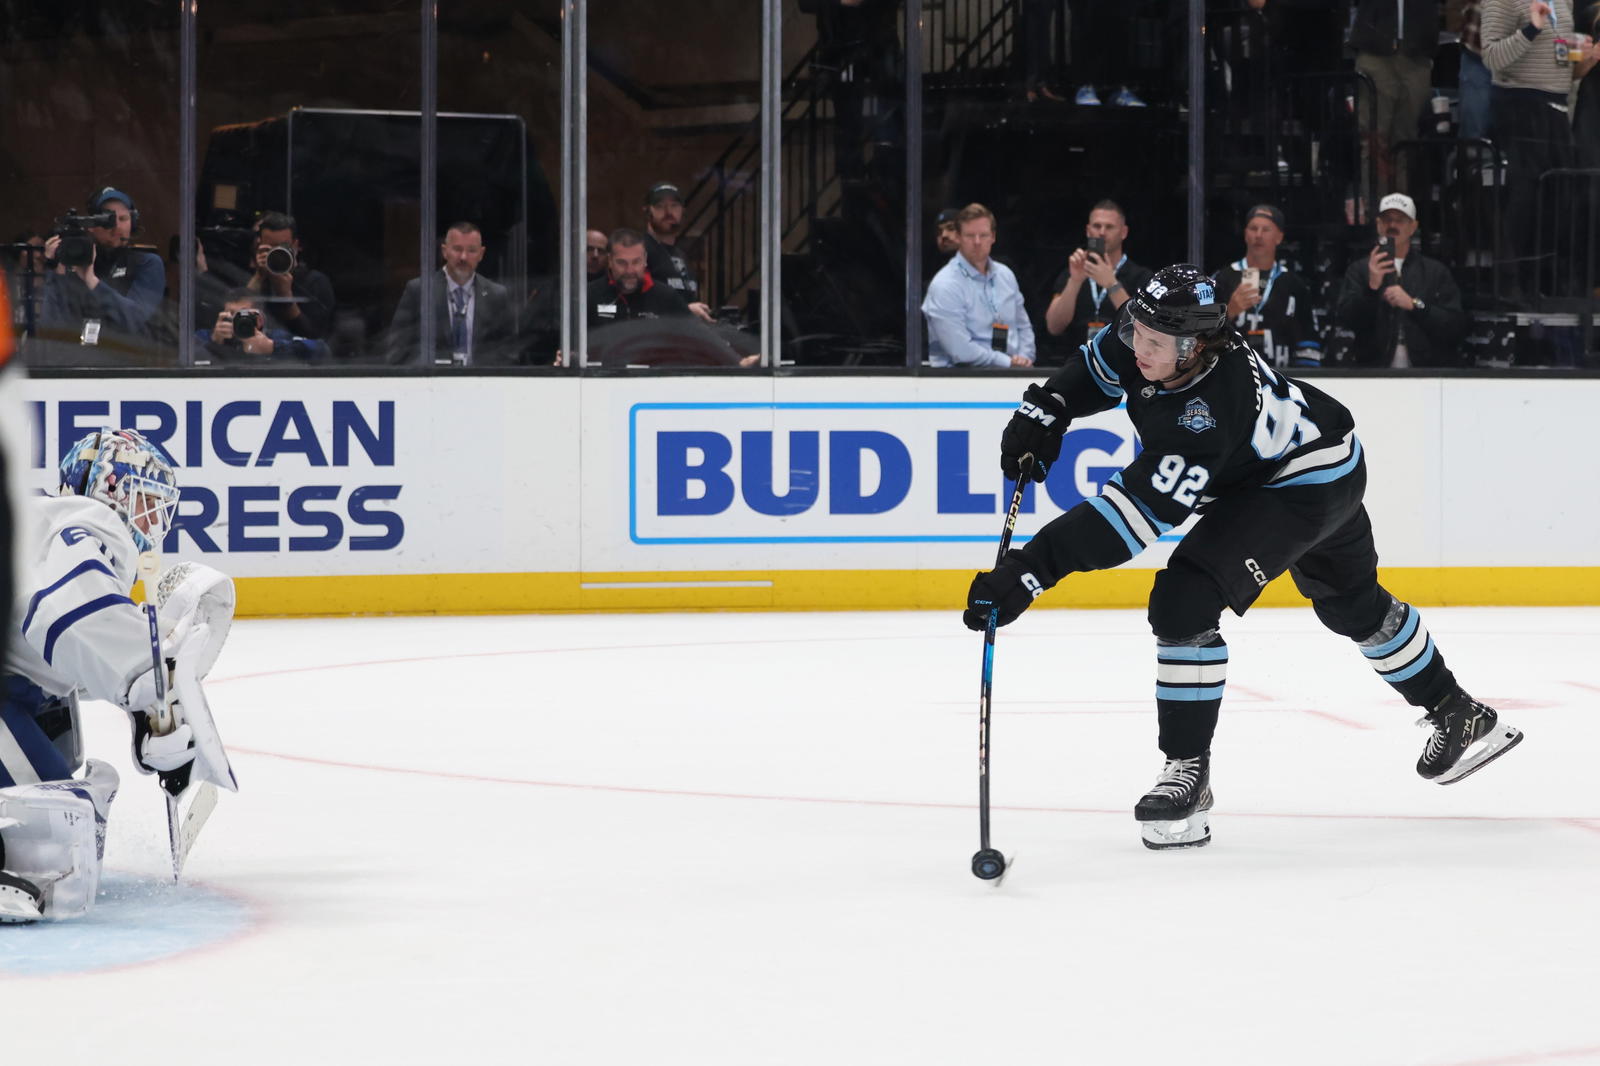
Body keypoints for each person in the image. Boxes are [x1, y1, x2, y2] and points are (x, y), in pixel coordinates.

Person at [965, 265, 1524, 851]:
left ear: (1195, 347)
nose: (1138, 349)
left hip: (1303, 486)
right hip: (1325, 456)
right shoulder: (1153, 333)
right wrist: (1048, 406)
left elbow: (1126, 522)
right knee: (1353, 606)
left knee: (1183, 600)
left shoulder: (1204, 412)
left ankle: (1187, 771)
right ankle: (1459, 712)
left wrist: (1029, 572)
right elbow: (1098, 366)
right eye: (1136, 332)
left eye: (1154, 343)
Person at [2, 428, 234, 922]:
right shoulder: (85, 521)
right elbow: (72, 616)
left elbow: (55, 651)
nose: (153, 522)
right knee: (50, 834)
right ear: (109, 486)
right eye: (147, 501)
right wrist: (149, 684)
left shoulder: (37, 522)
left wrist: (147, 710)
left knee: (53, 742)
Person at [1482, 0, 1599, 293]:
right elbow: (1492, 57)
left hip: (1556, 106)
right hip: (1520, 103)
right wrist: (1531, 28)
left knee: (1556, 199)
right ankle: (1510, 285)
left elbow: (1558, 64)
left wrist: (1583, 57)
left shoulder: (1563, 1)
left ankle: (1544, 283)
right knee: (1524, 198)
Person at [1335, 193, 1466, 367]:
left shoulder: (1435, 271)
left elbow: (1454, 326)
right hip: (1371, 374)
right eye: (1387, 219)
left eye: (1400, 220)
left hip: (1426, 375)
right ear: (1379, 225)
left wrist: (1414, 304)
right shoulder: (1359, 269)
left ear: (1413, 227)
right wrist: (1372, 289)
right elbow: (1346, 320)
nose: (1392, 225)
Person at [40, 187, 166, 342]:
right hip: (78, 359)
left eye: (123, 219)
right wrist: (55, 271)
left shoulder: (147, 263)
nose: (116, 226)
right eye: (107, 219)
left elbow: (134, 319)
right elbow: (50, 329)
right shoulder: (74, 263)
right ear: (92, 225)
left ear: (132, 223)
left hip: (128, 360)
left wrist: (91, 280)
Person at [387, 221, 520, 366]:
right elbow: (398, 351)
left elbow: (509, 353)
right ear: (444, 251)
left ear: (481, 254)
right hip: (432, 384)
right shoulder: (419, 291)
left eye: (471, 250)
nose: (463, 257)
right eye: (457, 249)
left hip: (481, 384)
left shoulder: (497, 295)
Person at [921, 203, 1036, 368]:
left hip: (1013, 376)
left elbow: (1024, 326)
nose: (977, 242)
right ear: (959, 237)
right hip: (957, 381)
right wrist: (1008, 362)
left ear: (993, 237)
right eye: (970, 235)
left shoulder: (1006, 275)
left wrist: (1025, 358)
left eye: (983, 235)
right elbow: (960, 350)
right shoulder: (944, 284)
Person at [1211, 204, 1322, 368]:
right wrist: (1229, 312)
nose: (1258, 235)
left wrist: (1302, 381)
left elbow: (1308, 339)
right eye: (1253, 228)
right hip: (1231, 376)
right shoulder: (1221, 280)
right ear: (1245, 234)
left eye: (1266, 229)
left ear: (1279, 237)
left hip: (1281, 379)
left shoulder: (1295, 285)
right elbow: (1200, 337)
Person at [1044, 200, 1153, 365]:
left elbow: (1143, 328)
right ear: (1088, 231)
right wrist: (1075, 281)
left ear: (1123, 232)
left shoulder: (1141, 276)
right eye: (1097, 226)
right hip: (1076, 364)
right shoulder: (1072, 272)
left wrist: (1111, 283)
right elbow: (1054, 326)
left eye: (1109, 227)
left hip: (1123, 366)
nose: (1102, 232)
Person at [1351, 0, 1440, 197]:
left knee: (1406, 140)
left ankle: (1400, 216)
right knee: (1375, 139)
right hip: (1375, 50)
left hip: (1417, 53)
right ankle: (1378, 217)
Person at [242, 212, 336, 342]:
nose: (276, 253)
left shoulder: (315, 282)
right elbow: (238, 322)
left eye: (282, 247)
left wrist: (286, 297)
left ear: (295, 246)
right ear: (259, 246)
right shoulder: (253, 279)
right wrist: (259, 276)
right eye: (270, 248)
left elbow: (314, 335)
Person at [641, 182, 715, 323]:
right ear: (647, 211)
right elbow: (630, 305)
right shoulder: (638, 251)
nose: (669, 212)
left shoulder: (682, 256)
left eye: (674, 205)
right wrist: (684, 310)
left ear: (682, 211)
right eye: (660, 206)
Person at [197, 288, 331, 363]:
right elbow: (182, 357)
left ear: (259, 319)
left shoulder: (274, 338)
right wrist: (214, 343)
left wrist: (272, 348)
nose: (238, 319)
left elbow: (322, 349)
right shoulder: (207, 336)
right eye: (231, 314)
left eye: (243, 314)